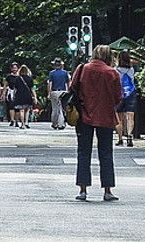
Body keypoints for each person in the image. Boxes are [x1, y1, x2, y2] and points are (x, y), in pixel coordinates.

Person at [69, 44, 120, 202]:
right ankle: (107, 190)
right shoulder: (112, 73)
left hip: (84, 115)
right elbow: (118, 96)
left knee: (83, 152)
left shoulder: (83, 68)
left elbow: (72, 87)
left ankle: (83, 189)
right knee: (106, 153)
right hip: (105, 116)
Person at [114, 51, 137, 147]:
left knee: (119, 117)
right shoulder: (131, 69)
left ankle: (120, 138)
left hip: (119, 94)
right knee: (130, 116)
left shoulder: (115, 70)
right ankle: (130, 136)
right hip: (131, 93)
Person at [47, 59, 70, 130]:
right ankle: (61, 124)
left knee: (55, 108)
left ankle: (54, 123)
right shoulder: (65, 73)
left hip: (54, 91)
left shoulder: (52, 73)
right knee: (61, 108)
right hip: (63, 92)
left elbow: (50, 84)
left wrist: (49, 93)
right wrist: (69, 91)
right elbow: (68, 82)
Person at [7, 63, 32, 128]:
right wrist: (34, 96)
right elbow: (32, 88)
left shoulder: (17, 79)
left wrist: (13, 96)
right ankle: (26, 122)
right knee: (27, 110)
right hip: (27, 95)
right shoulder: (29, 79)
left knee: (21, 110)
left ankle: (22, 124)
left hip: (19, 95)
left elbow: (15, 88)